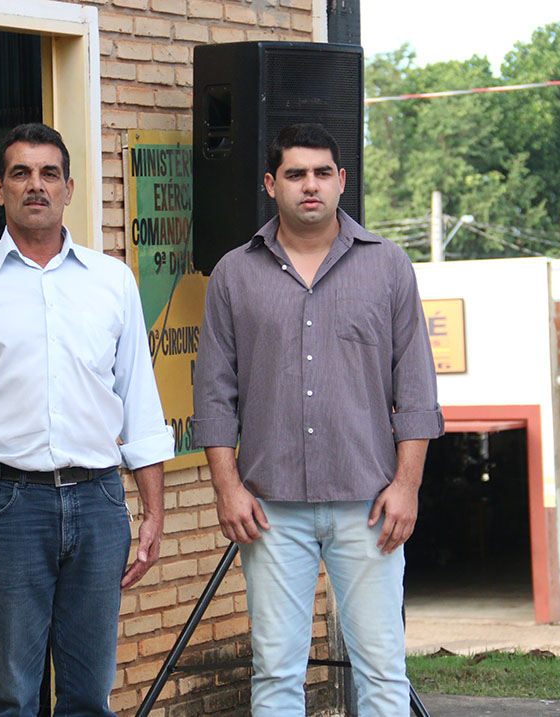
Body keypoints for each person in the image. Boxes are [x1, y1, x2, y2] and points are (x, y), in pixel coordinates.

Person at [0, 122, 173, 716]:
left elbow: (142, 408)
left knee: (88, 695)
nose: (36, 186)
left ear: (69, 188)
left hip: (100, 505)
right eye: (21, 174)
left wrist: (153, 512)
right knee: (10, 696)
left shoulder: (113, 282)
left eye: (49, 173)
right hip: (4, 511)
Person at [192, 123, 443, 716]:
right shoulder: (234, 273)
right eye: (297, 174)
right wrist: (227, 488)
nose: (312, 185)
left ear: (342, 181)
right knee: (276, 671)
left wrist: (407, 486)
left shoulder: (388, 267)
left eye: (323, 173)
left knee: (382, 671)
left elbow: (415, 389)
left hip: (370, 505)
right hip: (270, 507)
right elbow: (213, 395)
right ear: (270, 184)